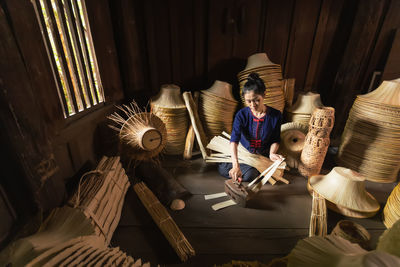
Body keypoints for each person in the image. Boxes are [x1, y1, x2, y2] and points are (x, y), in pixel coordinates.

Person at [218, 72, 283, 182]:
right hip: (242, 152)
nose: (253, 105)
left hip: (261, 155)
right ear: (244, 98)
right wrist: (236, 165)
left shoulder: (275, 115)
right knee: (231, 169)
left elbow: (275, 139)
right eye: (248, 101)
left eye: (256, 100)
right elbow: (234, 140)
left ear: (264, 95)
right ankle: (237, 169)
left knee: (252, 175)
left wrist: (272, 153)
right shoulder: (241, 115)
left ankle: (250, 170)